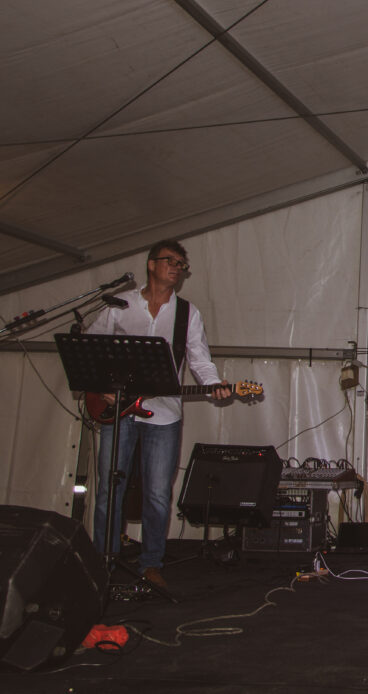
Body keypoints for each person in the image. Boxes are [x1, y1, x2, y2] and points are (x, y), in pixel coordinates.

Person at [89, 240, 231, 593]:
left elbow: (199, 359)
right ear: (151, 264)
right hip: (118, 411)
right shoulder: (120, 305)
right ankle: (102, 563)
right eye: (172, 261)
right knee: (109, 489)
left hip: (164, 415)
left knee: (156, 494)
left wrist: (214, 385)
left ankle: (150, 564)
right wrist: (102, 386)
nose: (178, 267)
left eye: (182, 264)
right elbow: (91, 348)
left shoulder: (187, 313)